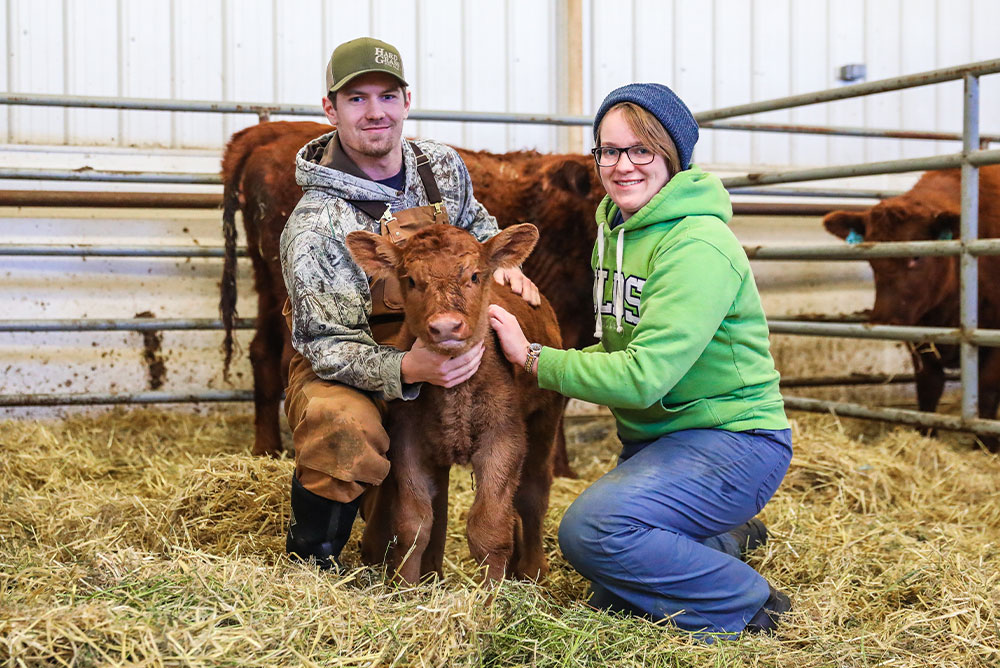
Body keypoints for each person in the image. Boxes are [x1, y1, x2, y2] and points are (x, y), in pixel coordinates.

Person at [489, 83, 793, 638]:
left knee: (593, 532)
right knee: (615, 594)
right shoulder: (616, 229)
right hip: (662, 441)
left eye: (640, 150)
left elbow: (642, 376)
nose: (621, 166)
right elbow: (615, 347)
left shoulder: (697, 245)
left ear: (672, 155)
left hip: (733, 441)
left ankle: (749, 604)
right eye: (608, 151)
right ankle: (723, 539)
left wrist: (535, 358)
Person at [281, 37, 539, 571]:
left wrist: (506, 266)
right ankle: (314, 561)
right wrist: (407, 368)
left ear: (406, 100)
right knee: (344, 428)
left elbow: (478, 230)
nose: (375, 112)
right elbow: (324, 345)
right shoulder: (314, 223)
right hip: (355, 358)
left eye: (387, 96)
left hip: (441, 338)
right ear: (330, 109)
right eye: (356, 100)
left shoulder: (441, 167)